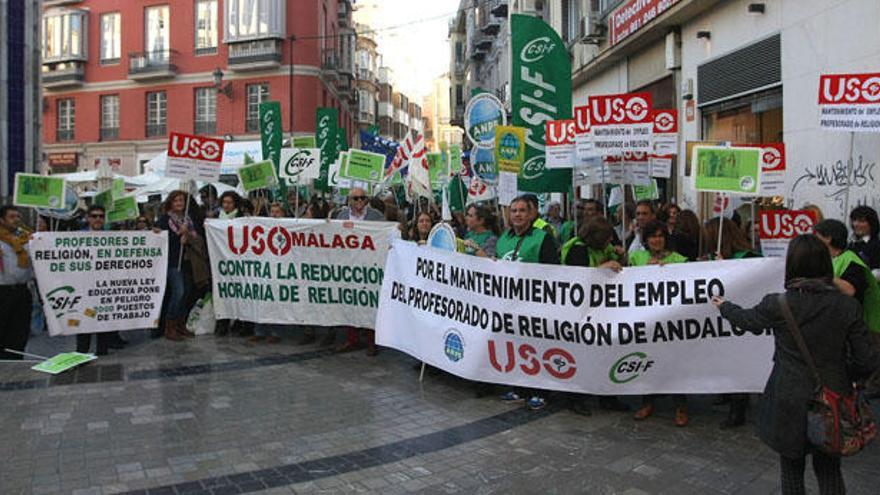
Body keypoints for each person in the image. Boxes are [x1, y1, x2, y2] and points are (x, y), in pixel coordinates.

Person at [713, 234, 878, 495]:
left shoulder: (778, 304)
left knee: (791, 468)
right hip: (834, 396)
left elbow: (746, 320)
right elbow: (867, 359)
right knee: (829, 469)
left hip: (788, 396)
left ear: (792, 264)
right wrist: (846, 377)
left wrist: (724, 307)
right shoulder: (846, 306)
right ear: (826, 264)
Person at [560, 217, 629, 415]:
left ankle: (607, 396)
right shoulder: (578, 249)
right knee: (581, 356)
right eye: (607, 238)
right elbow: (577, 279)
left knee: (605, 354)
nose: (610, 242)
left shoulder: (602, 250)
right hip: (580, 313)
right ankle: (575, 399)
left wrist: (620, 258)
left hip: (600, 311)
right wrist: (603, 268)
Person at [496, 196, 559, 411]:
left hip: (536, 305)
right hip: (510, 306)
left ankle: (540, 391)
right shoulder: (504, 238)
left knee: (537, 348)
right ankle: (518, 388)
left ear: (532, 214)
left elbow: (553, 272)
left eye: (522, 210)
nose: (517, 215)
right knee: (515, 347)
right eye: (513, 210)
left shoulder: (543, 238)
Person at [628, 219, 690, 426]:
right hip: (646, 320)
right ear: (646, 239)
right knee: (647, 362)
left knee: (675, 363)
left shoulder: (679, 260)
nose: (656, 240)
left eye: (660, 236)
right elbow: (626, 283)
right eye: (652, 236)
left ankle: (681, 406)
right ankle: (647, 402)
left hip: (671, 322)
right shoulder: (636, 257)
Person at [702, 216, 761, 428]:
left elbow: (752, 281)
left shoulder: (748, 256)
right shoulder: (714, 256)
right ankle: (728, 394)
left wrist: (728, 268)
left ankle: (739, 408)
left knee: (739, 360)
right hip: (723, 317)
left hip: (740, 318)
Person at [333, 187, 384, 355]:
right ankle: (352, 338)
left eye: (363, 198)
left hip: (369, 265)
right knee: (350, 302)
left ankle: (372, 341)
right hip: (349, 265)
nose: (360, 201)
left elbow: (384, 236)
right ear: (349, 200)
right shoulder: (341, 216)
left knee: (369, 303)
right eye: (356, 198)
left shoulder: (376, 216)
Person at [814, 219, 880, 332]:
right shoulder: (832, 259)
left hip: (863, 329)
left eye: (816, 237)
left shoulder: (851, 260)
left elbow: (850, 290)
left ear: (828, 238)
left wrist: (825, 274)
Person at [155, 191, 198, 341]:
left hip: (187, 261)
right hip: (172, 261)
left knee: (186, 292)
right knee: (178, 292)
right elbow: (163, 239)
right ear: (170, 203)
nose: (179, 203)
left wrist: (189, 235)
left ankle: (181, 324)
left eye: (181, 200)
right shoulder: (164, 219)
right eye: (176, 201)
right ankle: (170, 326)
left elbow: (195, 236)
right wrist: (180, 234)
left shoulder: (187, 219)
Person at [74, 205, 115, 355]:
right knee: (84, 320)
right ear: (87, 218)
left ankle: (102, 352)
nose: (98, 219)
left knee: (103, 320)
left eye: (101, 216)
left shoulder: (112, 236)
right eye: (94, 216)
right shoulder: (77, 236)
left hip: (104, 285)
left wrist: (155, 234)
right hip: (84, 286)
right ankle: (81, 353)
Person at [0, 206, 34, 360]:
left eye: (18, 216)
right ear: (2, 220)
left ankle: (16, 359)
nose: (17, 220)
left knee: (20, 329)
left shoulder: (26, 237)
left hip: (22, 290)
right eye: (12, 217)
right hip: (3, 291)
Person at [848, 205, 880, 270]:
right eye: (854, 220)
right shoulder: (851, 244)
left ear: (872, 223)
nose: (856, 224)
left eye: (861, 221)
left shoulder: (877, 246)